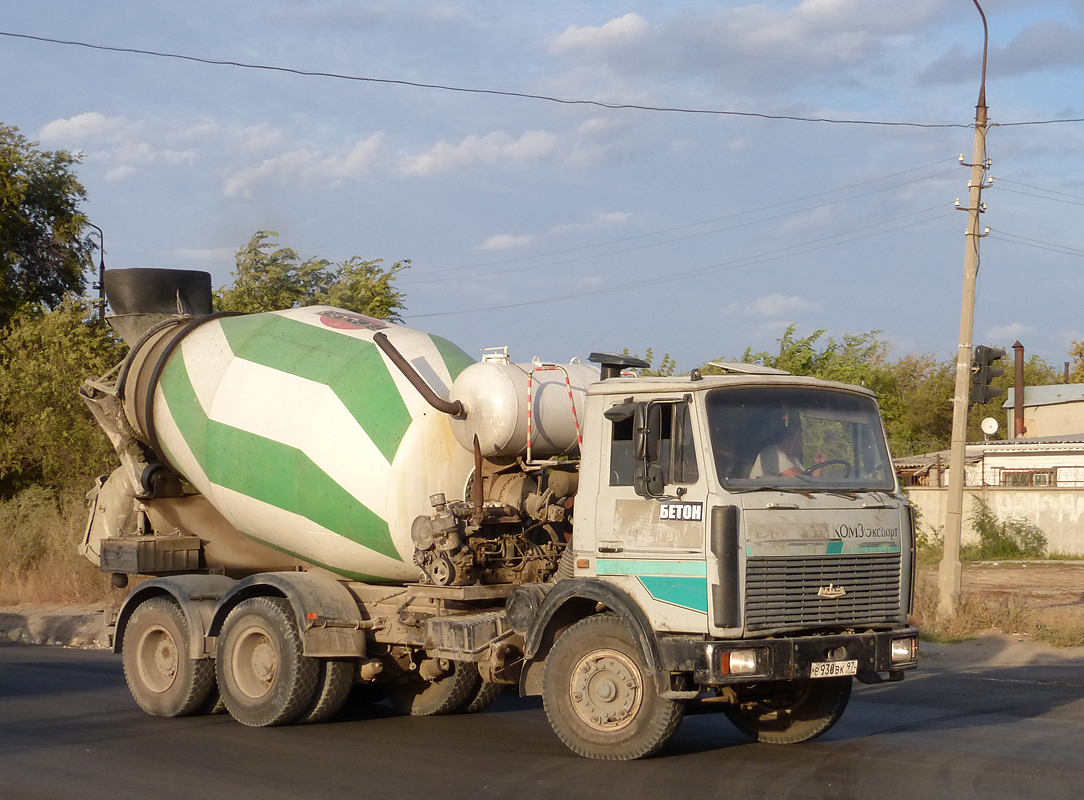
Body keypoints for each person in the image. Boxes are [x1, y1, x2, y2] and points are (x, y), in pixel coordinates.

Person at [748, 415, 827, 478]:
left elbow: (810, 482)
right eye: (799, 438)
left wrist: (820, 465)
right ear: (788, 439)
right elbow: (798, 479)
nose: (802, 443)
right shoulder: (772, 452)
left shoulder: (794, 461)